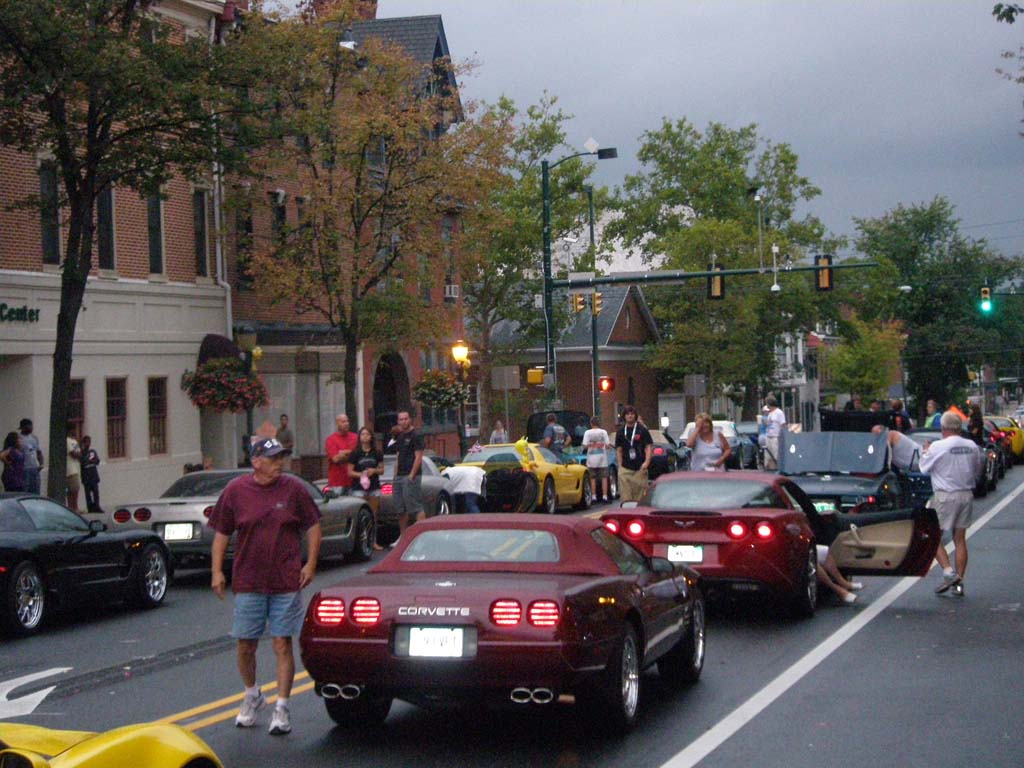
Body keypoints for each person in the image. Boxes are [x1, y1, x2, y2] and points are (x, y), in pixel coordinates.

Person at [209, 437, 322, 736]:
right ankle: (252, 694)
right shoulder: (236, 491)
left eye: (281, 457)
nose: (279, 463)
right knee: (245, 643)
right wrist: (216, 571)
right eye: (273, 458)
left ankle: (282, 707)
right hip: (248, 580)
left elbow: (313, 525)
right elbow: (221, 533)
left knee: (281, 643)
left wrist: (310, 564)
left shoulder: (293, 489)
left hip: (285, 579)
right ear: (256, 461)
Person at [918, 411, 982, 597]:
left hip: (945, 495)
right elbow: (978, 469)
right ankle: (959, 583)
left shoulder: (938, 446)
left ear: (943, 428)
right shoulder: (971, 446)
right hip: (966, 494)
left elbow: (923, 467)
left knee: (932, 535)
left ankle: (948, 571)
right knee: (959, 539)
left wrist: (926, 450)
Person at [348, 426, 384, 550]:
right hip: (358, 487)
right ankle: (360, 542)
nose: (365, 436)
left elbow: (382, 470)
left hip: (373, 487)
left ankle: (373, 541)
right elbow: (350, 472)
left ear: (371, 437)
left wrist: (374, 470)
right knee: (360, 515)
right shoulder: (355, 453)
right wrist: (362, 474)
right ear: (359, 437)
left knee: (373, 515)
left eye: (367, 434)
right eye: (362, 434)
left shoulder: (377, 453)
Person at [392, 410, 424, 541]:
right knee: (400, 509)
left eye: (406, 418)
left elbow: (419, 457)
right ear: (398, 421)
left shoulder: (416, 435)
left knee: (415, 506)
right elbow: (398, 456)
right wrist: (395, 474)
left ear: (410, 419)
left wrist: (412, 475)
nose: (403, 421)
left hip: (411, 476)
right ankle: (403, 536)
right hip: (399, 476)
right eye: (401, 419)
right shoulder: (399, 437)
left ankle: (422, 534)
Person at [615, 405, 653, 502]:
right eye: (627, 414)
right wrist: (620, 467)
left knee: (640, 499)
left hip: (640, 469)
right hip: (625, 469)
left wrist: (646, 463)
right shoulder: (620, 432)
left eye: (632, 414)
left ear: (635, 415)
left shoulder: (642, 430)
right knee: (626, 498)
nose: (630, 416)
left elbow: (648, 447)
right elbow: (619, 450)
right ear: (624, 416)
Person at [325, 413, 358, 495]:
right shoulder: (331, 440)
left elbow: (358, 456)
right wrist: (351, 453)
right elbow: (335, 459)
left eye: (347, 421)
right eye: (343, 422)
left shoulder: (355, 437)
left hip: (353, 481)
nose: (346, 424)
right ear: (337, 424)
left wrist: (343, 452)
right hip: (337, 482)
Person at [582, 416, 611, 502]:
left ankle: (594, 496)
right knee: (604, 478)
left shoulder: (587, 433)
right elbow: (608, 445)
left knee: (592, 478)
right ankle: (604, 496)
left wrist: (591, 445)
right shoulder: (603, 432)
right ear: (599, 423)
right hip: (602, 459)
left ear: (591, 423)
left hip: (591, 459)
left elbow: (584, 446)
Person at [18, 419, 43, 494]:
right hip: (24, 468)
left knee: (36, 490)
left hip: (35, 468)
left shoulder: (34, 438)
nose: (31, 428)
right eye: (29, 426)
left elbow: (39, 452)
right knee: (25, 490)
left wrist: (41, 464)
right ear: (23, 427)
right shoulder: (19, 438)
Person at [762, 395, 786, 470]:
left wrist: (782, 436)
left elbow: (783, 424)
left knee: (776, 454)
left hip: (776, 437)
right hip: (769, 436)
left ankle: (777, 468)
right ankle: (768, 467)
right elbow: (769, 424)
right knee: (768, 455)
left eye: (767, 404)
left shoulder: (779, 413)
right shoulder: (770, 413)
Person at [80, 436, 103, 514]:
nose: (88, 444)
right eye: (86, 442)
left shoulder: (92, 451)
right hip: (86, 474)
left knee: (96, 492)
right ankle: (90, 507)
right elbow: (83, 462)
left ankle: (97, 506)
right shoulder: (81, 453)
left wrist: (92, 461)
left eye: (89, 442)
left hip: (93, 473)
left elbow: (96, 461)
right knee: (88, 493)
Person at [66, 424, 82, 512]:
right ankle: (73, 507)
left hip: (76, 468)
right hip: (70, 469)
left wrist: (79, 454)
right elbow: (73, 453)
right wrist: (78, 454)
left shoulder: (74, 441)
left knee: (75, 489)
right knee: (73, 489)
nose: (75, 431)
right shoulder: (67, 441)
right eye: (73, 430)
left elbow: (79, 453)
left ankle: (74, 507)